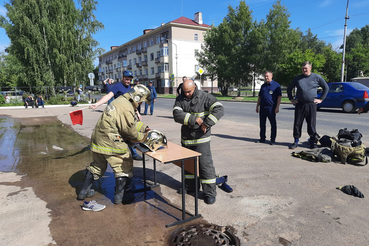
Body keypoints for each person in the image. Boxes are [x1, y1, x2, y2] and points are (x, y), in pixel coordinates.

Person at [77, 84, 152, 204]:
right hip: (111, 140)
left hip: (98, 140)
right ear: (137, 98)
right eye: (141, 102)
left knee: (97, 166)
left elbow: (129, 123)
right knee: (124, 164)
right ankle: (121, 197)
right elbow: (128, 131)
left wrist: (144, 127)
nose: (141, 105)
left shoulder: (121, 101)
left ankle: (82, 192)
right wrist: (143, 137)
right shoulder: (126, 107)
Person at [173, 80, 224, 205]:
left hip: (201, 139)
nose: (187, 94)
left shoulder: (205, 97)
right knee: (189, 166)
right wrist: (195, 119)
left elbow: (219, 109)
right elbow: (176, 114)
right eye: (185, 92)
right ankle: (191, 188)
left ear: (194, 87)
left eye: (189, 91)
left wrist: (207, 123)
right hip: (186, 138)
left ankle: (210, 193)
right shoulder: (180, 98)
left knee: (205, 166)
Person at [90, 71, 144, 161]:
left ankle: (133, 153)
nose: (128, 81)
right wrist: (97, 104)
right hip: (119, 116)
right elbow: (108, 96)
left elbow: (131, 102)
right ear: (123, 77)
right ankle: (124, 154)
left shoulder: (130, 88)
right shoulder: (117, 86)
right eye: (127, 79)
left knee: (128, 134)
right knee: (126, 134)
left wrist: (137, 112)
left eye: (130, 80)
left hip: (128, 114)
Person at [287, 61, 329, 149]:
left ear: (310, 68)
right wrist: (291, 99)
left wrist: (321, 99)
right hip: (300, 104)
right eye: (303, 69)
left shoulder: (317, 77)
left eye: (306, 68)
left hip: (311, 104)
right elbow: (289, 88)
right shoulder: (297, 78)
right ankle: (296, 141)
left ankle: (313, 142)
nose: (304, 70)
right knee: (297, 123)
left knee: (311, 124)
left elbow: (326, 87)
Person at [255, 71, 281, 145]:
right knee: (262, 124)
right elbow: (260, 97)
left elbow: (279, 97)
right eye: (265, 76)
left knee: (273, 124)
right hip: (263, 107)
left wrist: (277, 107)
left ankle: (272, 139)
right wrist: (257, 106)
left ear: (271, 76)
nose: (266, 78)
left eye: (267, 76)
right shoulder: (263, 86)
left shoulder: (276, 85)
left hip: (271, 108)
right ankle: (262, 138)